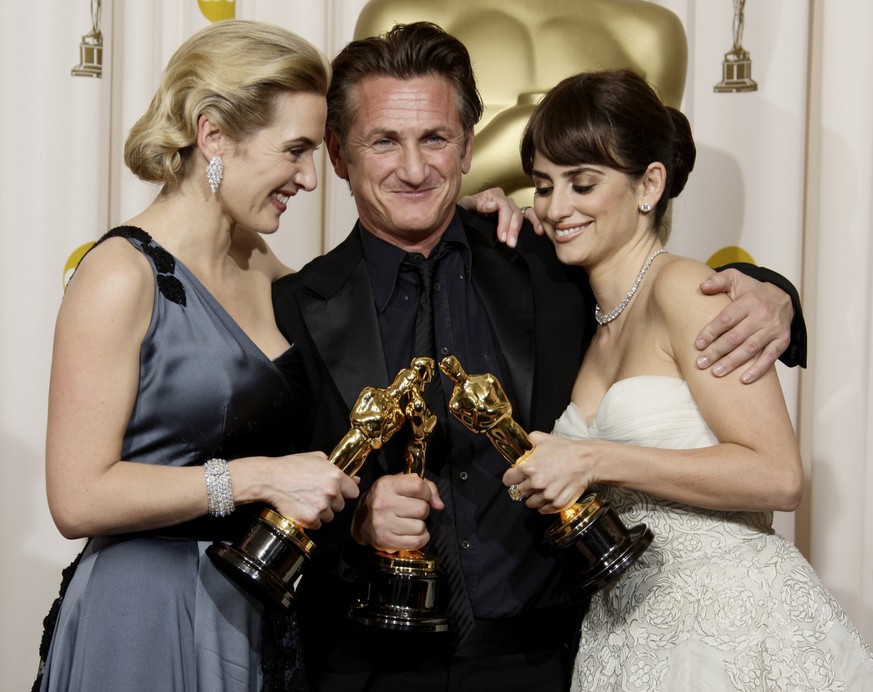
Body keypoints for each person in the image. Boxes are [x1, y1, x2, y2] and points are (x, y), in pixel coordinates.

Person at [272, 22, 807, 692]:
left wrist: (774, 295)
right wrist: (354, 522)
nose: (413, 169)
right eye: (384, 140)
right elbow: (250, 504)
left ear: (467, 145)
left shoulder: (551, 264)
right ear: (338, 151)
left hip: (546, 662)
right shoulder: (290, 307)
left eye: (434, 138)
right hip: (365, 666)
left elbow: (648, 285)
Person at [505, 68, 873, 690]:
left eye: (583, 183)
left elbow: (778, 477)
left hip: (735, 620)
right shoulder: (592, 322)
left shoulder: (688, 290)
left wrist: (595, 457)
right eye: (543, 186)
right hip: (627, 625)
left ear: (650, 183)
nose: (556, 206)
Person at [35, 20, 362, 692]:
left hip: (249, 601)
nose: (308, 176)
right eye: (295, 150)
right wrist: (256, 479)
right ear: (213, 134)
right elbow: (77, 496)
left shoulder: (260, 264)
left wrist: (468, 221)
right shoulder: (121, 275)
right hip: (145, 616)